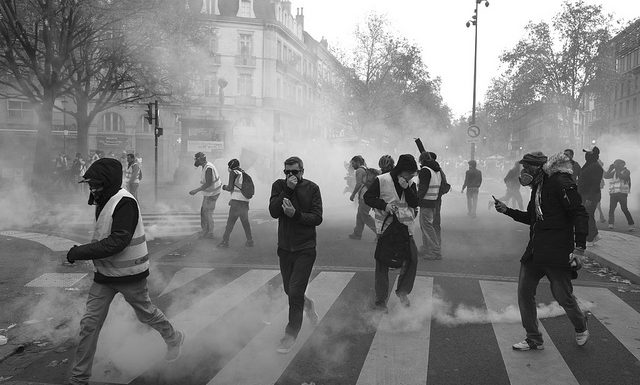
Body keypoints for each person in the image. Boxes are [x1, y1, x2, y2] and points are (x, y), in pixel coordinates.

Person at [66, 158, 184, 385]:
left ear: (107, 182)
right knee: (89, 324)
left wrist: (78, 252)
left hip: (130, 275)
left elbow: (117, 242)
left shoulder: (124, 202)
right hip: (105, 276)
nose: (92, 189)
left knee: (146, 313)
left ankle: (174, 338)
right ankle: (79, 379)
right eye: (89, 184)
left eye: (95, 184)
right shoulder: (103, 198)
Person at [494, 151, 589, 351]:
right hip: (535, 251)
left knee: (563, 296)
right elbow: (532, 217)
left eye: (528, 168)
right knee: (524, 293)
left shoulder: (560, 182)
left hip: (557, 252)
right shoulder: (538, 187)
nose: (524, 173)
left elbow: (579, 212)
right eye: (523, 168)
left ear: (539, 168)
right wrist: (507, 210)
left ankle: (580, 325)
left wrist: (579, 248)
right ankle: (533, 338)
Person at [268, 156, 322, 354]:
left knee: (295, 292)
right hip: (285, 248)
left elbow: (317, 217)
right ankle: (308, 305)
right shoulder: (279, 186)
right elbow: (274, 211)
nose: (291, 176)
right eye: (287, 172)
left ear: (302, 171)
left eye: (295, 172)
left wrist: (295, 215)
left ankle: (290, 335)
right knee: (289, 290)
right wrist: (288, 190)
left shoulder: (312, 188)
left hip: (305, 248)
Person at [364, 154, 419, 311]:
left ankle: (402, 292)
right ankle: (380, 301)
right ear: (402, 170)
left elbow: (415, 202)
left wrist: (406, 188)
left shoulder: (410, 183)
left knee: (412, 260)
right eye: (410, 173)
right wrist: (384, 205)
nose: (412, 176)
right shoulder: (382, 180)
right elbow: (368, 198)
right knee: (382, 262)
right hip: (387, 228)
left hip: (405, 228)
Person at [218, 158, 254, 248]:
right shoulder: (243, 173)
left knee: (230, 223)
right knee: (245, 223)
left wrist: (224, 187)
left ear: (231, 166)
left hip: (236, 203)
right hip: (245, 202)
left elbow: (230, 187)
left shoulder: (233, 172)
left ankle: (225, 242)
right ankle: (250, 241)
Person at [189, 152, 222, 238]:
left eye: (196, 159)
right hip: (210, 192)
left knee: (207, 212)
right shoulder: (205, 166)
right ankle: (205, 230)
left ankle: (210, 232)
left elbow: (208, 183)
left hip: (213, 193)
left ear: (200, 159)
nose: (195, 161)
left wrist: (196, 190)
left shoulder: (208, 168)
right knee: (204, 211)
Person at [417, 152, 443, 260]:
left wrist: (416, 200)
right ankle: (427, 248)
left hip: (426, 201)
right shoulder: (436, 170)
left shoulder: (425, 170)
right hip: (433, 201)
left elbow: (423, 187)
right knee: (426, 226)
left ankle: (435, 251)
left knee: (427, 227)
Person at [577, 147, 603, 246]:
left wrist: (589, 198)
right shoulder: (589, 165)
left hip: (590, 195)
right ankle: (595, 234)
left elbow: (595, 184)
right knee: (589, 215)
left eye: (588, 154)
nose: (586, 156)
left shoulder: (595, 167)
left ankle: (590, 238)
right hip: (585, 194)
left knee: (587, 216)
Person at [348, 155, 377, 240]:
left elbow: (359, 184)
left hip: (365, 196)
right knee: (360, 215)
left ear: (357, 162)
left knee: (364, 215)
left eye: (353, 163)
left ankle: (380, 232)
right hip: (366, 195)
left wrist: (353, 194)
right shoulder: (364, 169)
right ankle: (357, 233)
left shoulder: (360, 170)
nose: (352, 165)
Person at [604, 159, 636, 232]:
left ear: (623, 164)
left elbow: (622, 177)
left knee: (624, 209)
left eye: (617, 164)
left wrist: (616, 169)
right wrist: (610, 169)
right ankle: (611, 223)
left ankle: (631, 224)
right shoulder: (614, 171)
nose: (616, 165)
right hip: (614, 193)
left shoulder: (626, 171)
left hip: (622, 194)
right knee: (611, 209)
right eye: (615, 163)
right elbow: (605, 176)